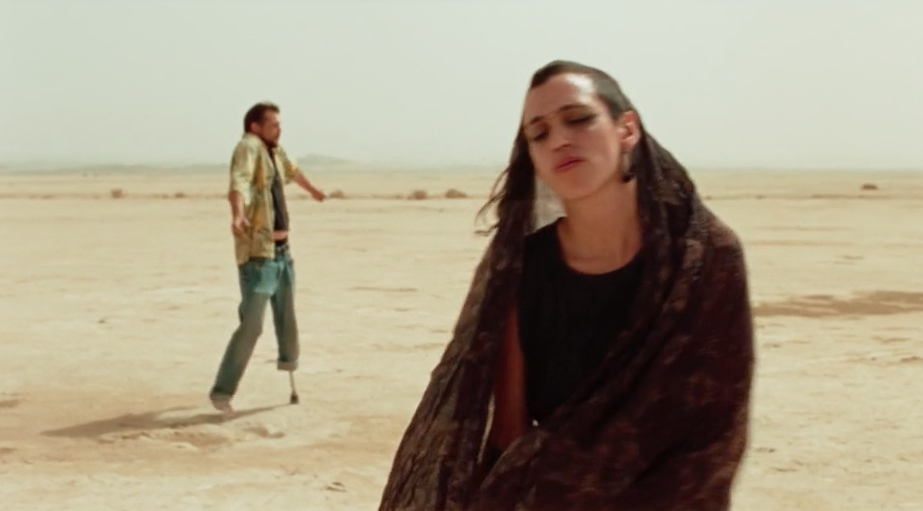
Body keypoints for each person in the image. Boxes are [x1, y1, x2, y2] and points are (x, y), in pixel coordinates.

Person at [377, 60, 755, 511]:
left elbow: (716, 433)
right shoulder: (521, 270)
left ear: (627, 129)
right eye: (539, 134)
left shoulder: (703, 260)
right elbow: (509, 433)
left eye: (578, 119)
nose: (559, 140)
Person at [209, 101, 326, 413]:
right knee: (252, 324)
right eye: (273, 124)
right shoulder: (248, 147)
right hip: (259, 255)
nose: (279, 129)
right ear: (255, 127)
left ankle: (289, 368)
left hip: (283, 253)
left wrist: (313, 190)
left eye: (279, 124)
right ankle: (222, 392)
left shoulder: (274, 150)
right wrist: (237, 214)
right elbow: (239, 182)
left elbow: (292, 171)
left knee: (287, 317)